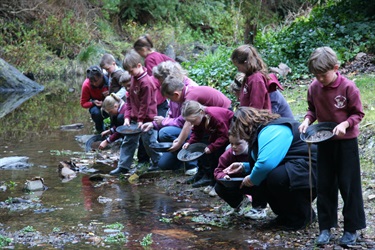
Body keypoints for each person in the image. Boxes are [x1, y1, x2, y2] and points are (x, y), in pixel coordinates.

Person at [298, 46, 366, 246]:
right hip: (323, 140)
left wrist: (345, 124)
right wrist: (306, 121)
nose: (319, 79)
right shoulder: (314, 87)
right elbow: (312, 110)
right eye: (316, 75)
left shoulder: (348, 87)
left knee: (349, 185)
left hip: (346, 143)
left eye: (323, 75)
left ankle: (351, 228)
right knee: (325, 185)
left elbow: (358, 114)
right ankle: (325, 227)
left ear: (335, 68)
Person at [224, 107, 317, 230]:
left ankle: (302, 217)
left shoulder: (273, 129)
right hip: (298, 167)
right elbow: (269, 160)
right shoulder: (261, 132)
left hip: (313, 168)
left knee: (276, 177)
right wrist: (243, 167)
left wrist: (251, 179)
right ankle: (286, 215)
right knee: (269, 177)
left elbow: (266, 164)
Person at [161, 75, 232, 184]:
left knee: (207, 146)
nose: (172, 101)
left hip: (222, 118)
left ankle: (209, 176)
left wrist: (180, 142)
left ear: (176, 94)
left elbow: (188, 124)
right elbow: (194, 128)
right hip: (206, 119)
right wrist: (190, 142)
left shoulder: (191, 98)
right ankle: (201, 173)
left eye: (171, 99)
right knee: (199, 140)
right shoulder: (195, 111)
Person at [109, 49, 162, 175]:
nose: (130, 74)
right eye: (128, 72)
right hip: (134, 117)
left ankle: (158, 162)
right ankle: (123, 166)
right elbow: (130, 99)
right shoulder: (134, 78)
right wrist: (127, 117)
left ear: (139, 66)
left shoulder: (146, 83)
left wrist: (140, 120)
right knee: (128, 141)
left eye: (131, 71)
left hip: (147, 118)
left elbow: (145, 104)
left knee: (149, 141)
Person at [142, 61, 199, 172]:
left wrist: (163, 122)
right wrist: (153, 124)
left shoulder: (189, 90)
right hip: (181, 130)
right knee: (163, 165)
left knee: (165, 132)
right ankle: (180, 159)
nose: (159, 84)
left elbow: (186, 121)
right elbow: (171, 114)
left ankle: (192, 162)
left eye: (160, 81)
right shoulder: (172, 91)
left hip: (194, 130)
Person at [181, 100, 233, 195]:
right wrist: (190, 142)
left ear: (201, 112)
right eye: (189, 122)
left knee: (219, 159)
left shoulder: (215, 116)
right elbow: (196, 133)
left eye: (192, 121)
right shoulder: (200, 119)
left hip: (230, 134)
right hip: (216, 136)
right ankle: (212, 182)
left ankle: (219, 185)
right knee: (211, 159)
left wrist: (212, 147)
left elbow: (224, 136)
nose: (192, 124)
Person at [214, 130, 267, 219]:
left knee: (261, 182)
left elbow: (263, 168)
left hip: (253, 182)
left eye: (238, 144)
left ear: (247, 142)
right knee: (219, 187)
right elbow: (218, 170)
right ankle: (239, 204)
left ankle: (259, 208)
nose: (234, 147)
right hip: (235, 184)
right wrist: (223, 176)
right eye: (231, 143)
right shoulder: (227, 155)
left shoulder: (255, 153)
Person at [231, 45, 294, 119]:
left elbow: (256, 108)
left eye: (238, 67)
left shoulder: (256, 80)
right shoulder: (248, 78)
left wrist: (248, 122)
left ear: (245, 63)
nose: (238, 70)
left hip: (258, 121)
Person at [80, 65, 109, 133]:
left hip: (110, 103)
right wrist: (93, 102)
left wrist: (110, 94)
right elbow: (83, 103)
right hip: (97, 106)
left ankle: (114, 130)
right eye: (91, 81)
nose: (94, 83)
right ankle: (100, 130)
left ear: (101, 76)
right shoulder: (86, 85)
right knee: (95, 113)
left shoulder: (109, 79)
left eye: (95, 81)